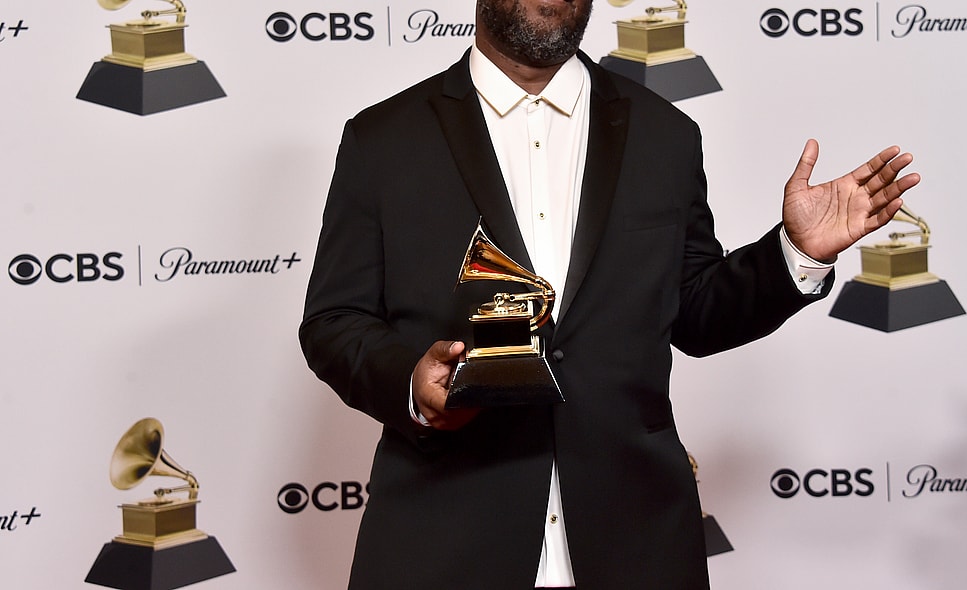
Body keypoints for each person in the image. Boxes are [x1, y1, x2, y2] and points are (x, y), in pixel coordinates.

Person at [299, 1, 920, 588]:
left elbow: (697, 312)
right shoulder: (383, 138)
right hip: (444, 541)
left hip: (636, 545)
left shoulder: (666, 135)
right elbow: (334, 320)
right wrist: (413, 382)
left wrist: (796, 253)